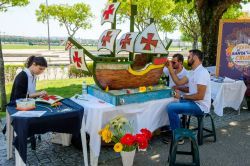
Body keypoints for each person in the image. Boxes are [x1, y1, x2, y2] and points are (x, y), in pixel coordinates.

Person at [165, 49, 211, 142]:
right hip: (193, 102)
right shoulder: (192, 72)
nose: (187, 59)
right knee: (171, 102)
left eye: (189, 57)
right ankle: (178, 130)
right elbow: (178, 82)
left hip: (200, 106)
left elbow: (200, 96)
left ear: (195, 57)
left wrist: (182, 97)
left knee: (171, 108)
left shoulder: (202, 72)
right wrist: (170, 69)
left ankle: (178, 137)